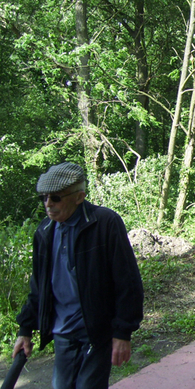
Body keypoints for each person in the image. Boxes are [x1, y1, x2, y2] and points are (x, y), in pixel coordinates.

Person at [12, 162, 144, 389]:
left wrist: (123, 332)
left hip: (95, 330)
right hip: (62, 332)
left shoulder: (104, 223)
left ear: (79, 196)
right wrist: (25, 330)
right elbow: (39, 287)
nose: (48, 204)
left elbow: (128, 281)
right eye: (44, 198)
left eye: (55, 198)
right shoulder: (44, 231)